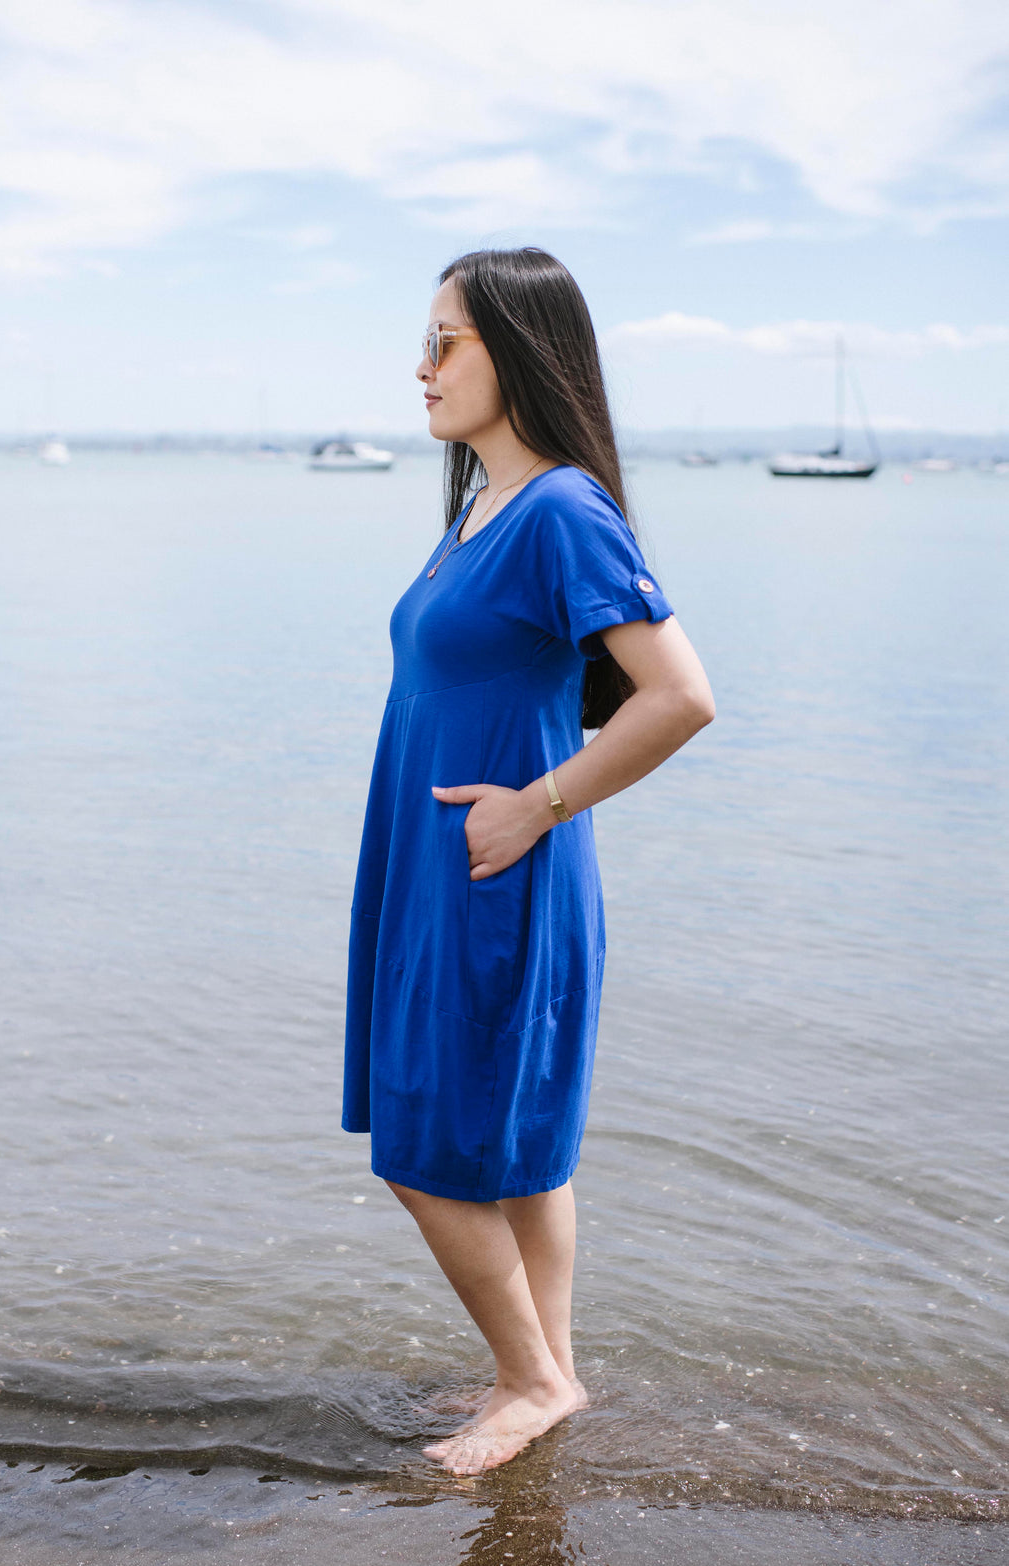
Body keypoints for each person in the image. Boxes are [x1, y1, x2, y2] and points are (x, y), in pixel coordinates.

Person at [342, 247, 714, 1476]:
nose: (423, 365)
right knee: (515, 1145)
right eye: (426, 339)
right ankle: (550, 1370)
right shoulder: (478, 509)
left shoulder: (559, 508)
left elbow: (677, 697)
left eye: (446, 339)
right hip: (434, 865)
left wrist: (534, 807)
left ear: (520, 348)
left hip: (495, 871)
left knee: (426, 1146)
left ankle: (526, 1380)